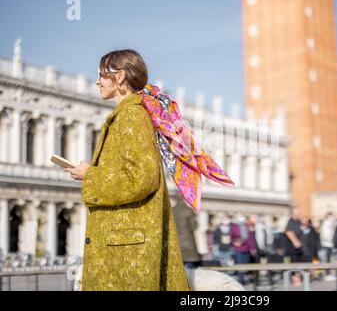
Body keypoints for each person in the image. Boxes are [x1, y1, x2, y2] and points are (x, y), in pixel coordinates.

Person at [65, 50, 233, 290]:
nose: (97, 81)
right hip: (126, 246)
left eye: (103, 75)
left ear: (120, 77)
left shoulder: (131, 116)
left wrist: (89, 175)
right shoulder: (129, 114)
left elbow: (142, 178)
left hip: (127, 253)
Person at [172, 199, 202, 269]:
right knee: (189, 270)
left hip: (175, 242)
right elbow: (194, 227)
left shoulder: (171, 210)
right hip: (188, 244)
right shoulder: (188, 210)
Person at [230, 214, 257, 285]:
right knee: (239, 265)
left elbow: (251, 238)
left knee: (245, 265)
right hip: (238, 249)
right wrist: (234, 242)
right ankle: (240, 281)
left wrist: (252, 248)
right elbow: (231, 236)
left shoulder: (247, 226)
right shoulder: (234, 226)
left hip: (247, 248)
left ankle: (244, 279)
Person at [320, 212, 337, 280]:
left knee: (329, 259)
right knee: (327, 259)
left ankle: (328, 273)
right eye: (331, 216)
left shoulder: (330, 224)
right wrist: (332, 239)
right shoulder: (326, 224)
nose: (332, 218)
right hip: (326, 244)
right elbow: (325, 235)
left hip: (330, 244)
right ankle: (327, 274)